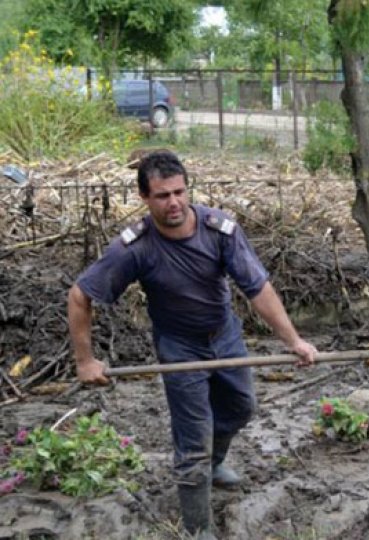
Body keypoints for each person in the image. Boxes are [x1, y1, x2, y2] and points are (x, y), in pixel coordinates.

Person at [67, 151, 318, 540]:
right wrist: (85, 360)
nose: (174, 203)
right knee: (193, 438)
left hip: (225, 335)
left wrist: (294, 341)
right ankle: (198, 528)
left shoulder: (220, 231)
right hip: (179, 347)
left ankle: (214, 464)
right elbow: (80, 296)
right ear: (145, 199)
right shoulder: (135, 247)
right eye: (163, 195)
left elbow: (258, 289)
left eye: (180, 192)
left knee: (240, 407)